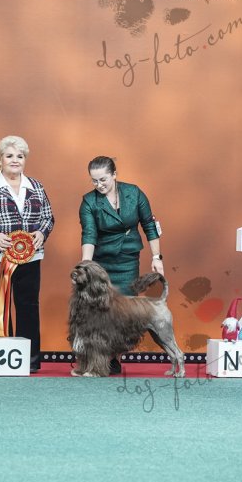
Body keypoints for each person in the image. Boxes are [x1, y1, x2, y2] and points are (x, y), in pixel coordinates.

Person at [0, 135, 54, 373]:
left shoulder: (36, 187)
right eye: (9, 156)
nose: (15, 160)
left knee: (28, 307)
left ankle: (30, 360)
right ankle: (1, 358)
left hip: (31, 257)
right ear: (0, 160)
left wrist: (42, 233)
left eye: (20, 156)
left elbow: (48, 217)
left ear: (25, 160)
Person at [79, 156, 163, 374]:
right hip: (102, 262)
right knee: (100, 312)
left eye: (103, 180)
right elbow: (89, 234)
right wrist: (86, 266)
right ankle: (99, 358)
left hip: (128, 260)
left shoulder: (134, 193)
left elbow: (149, 225)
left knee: (124, 311)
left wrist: (156, 257)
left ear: (114, 175)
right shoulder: (88, 202)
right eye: (94, 181)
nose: (99, 185)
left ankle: (115, 356)